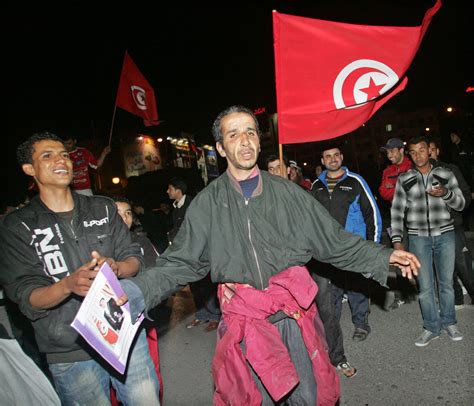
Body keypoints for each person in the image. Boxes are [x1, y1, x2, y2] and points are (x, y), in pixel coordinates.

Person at [119, 105, 420, 405]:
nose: (245, 140)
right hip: (245, 323)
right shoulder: (207, 204)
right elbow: (179, 262)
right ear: (221, 148)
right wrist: (135, 291)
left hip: (293, 317)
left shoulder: (288, 194)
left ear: (259, 142)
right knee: (256, 399)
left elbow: (333, 241)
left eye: (250, 132)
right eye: (234, 134)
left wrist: (383, 256)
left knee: (306, 397)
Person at [0, 132, 161, 405]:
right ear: (29, 169)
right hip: (69, 350)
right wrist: (67, 285)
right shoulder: (18, 225)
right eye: (47, 156)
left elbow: (133, 258)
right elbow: (25, 295)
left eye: (64, 154)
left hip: (123, 335)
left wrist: (117, 267)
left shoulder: (103, 207)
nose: (61, 160)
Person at [391, 136, 465, 347]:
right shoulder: (404, 179)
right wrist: (397, 242)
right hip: (418, 238)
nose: (418, 155)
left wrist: (446, 193)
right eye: (413, 152)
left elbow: (460, 203)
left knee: (446, 284)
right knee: (424, 286)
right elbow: (396, 211)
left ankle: (449, 322)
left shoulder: (445, 174)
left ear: (429, 151)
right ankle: (431, 327)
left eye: (421, 150)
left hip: (446, 235)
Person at [312, 148, 381, 342]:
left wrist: (373, 247)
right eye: (327, 156)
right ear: (322, 160)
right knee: (331, 290)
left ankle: (361, 324)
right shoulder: (317, 186)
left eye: (336, 155)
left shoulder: (356, 181)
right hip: (328, 248)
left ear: (342, 157)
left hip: (353, 247)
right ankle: (332, 329)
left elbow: (372, 214)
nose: (332, 159)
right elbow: (311, 218)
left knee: (356, 287)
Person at [167, 177, 220, 331]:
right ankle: (201, 315)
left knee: (206, 284)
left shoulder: (193, 203)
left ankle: (215, 316)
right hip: (185, 251)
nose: (167, 192)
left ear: (178, 190)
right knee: (194, 285)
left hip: (200, 250)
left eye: (169, 188)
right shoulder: (176, 206)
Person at [429, 140, 474, 307]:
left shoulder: (450, 169)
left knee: (464, 265)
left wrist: (449, 198)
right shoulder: (419, 174)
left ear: (437, 151)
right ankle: (456, 300)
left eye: (432, 150)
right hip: (433, 229)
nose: (429, 153)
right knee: (443, 268)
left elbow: (466, 196)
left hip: (453, 225)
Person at [379, 137, 416, 310]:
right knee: (399, 256)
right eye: (387, 152)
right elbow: (383, 193)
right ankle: (403, 295)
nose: (389, 154)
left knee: (422, 253)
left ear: (401, 150)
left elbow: (413, 192)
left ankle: (427, 290)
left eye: (392, 151)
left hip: (416, 217)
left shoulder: (413, 166)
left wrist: (393, 187)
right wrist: (397, 189)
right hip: (396, 218)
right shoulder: (388, 170)